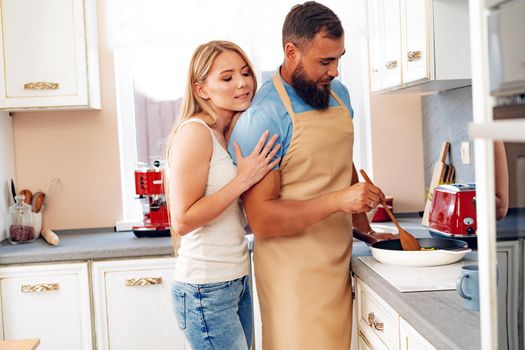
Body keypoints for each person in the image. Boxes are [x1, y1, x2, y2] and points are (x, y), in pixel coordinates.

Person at [227, 2, 394, 349]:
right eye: (324, 61)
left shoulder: (339, 95)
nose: (334, 70)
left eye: (339, 58)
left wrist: (363, 224)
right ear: (292, 52)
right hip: (293, 277)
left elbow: (341, 163)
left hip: (338, 260)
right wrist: (339, 201)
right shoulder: (264, 116)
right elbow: (263, 218)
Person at [164, 40, 281, 350]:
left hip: (236, 279)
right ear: (202, 89)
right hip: (205, 288)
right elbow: (183, 221)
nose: (243, 83)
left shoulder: (229, 134)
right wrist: (241, 181)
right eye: (227, 78)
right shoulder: (194, 133)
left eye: (245, 73)